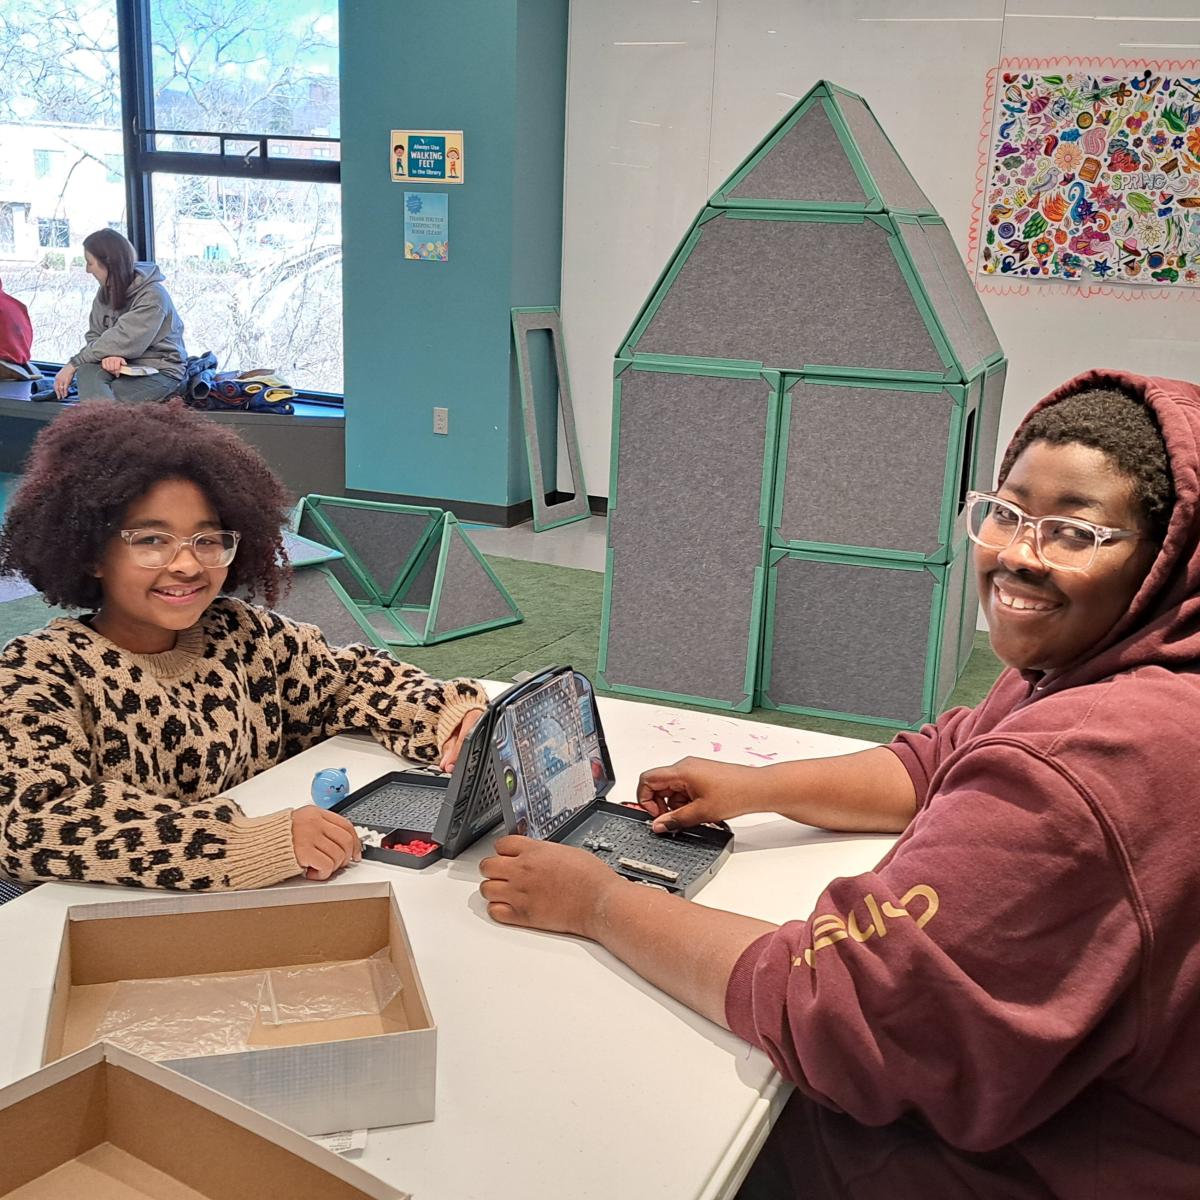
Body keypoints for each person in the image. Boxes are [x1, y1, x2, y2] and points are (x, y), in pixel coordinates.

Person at [479, 369, 1200, 1195]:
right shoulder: (1111, 661)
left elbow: (835, 1008)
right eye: (1005, 513)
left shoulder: (1091, 758)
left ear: (1165, 549)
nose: (1016, 555)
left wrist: (601, 904)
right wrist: (758, 787)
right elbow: (941, 758)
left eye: (1072, 532)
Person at [0, 400, 488, 891]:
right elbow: (31, 824)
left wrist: (446, 716)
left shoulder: (243, 634)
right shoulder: (37, 673)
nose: (188, 565)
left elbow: (349, 681)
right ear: (91, 554)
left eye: (208, 540)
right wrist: (244, 843)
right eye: (151, 541)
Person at [53, 229, 186, 403]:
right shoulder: (105, 292)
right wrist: (110, 355)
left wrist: (73, 363)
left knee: (105, 395)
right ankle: (100, 416)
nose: (87, 270)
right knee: (86, 373)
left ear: (109, 263)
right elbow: (95, 335)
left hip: (161, 370)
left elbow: (126, 339)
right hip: (123, 367)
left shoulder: (153, 296)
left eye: (90, 263)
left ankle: (99, 418)